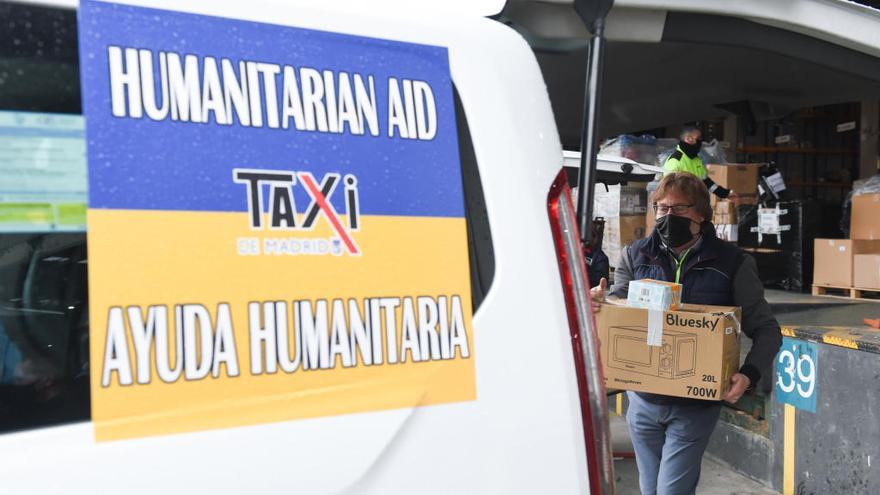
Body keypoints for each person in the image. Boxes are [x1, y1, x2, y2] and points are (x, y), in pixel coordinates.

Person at [591, 172, 781, 495]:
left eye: (678, 210)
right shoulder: (635, 256)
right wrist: (600, 304)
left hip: (694, 405)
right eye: (661, 209)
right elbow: (619, 308)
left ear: (701, 214)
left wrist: (748, 375)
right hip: (644, 402)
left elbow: (767, 330)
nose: (667, 217)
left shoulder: (732, 263)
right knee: (650, 489)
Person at [663, 125, 738, 202]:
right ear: (688, 139)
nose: (700, 141)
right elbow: (670, 188)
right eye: (698, 138)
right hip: (682, 207)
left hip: (695, 206)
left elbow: (706, 182)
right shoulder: (675, 160)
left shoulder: (695, 159)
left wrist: (725, 193)